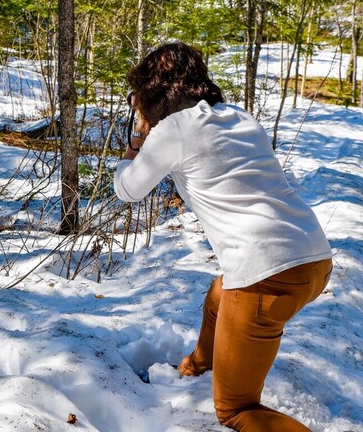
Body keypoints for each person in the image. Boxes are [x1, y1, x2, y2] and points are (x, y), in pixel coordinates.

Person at [114, 42, 333, 431]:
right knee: (219, 294)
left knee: (236, 409)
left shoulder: (173, 130)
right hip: (314, 257)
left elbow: (127, 190)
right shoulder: (238, 116)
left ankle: (228, 388)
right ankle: (196, 366)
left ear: (151, 92)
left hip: (266, 274)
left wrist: (136, 138)